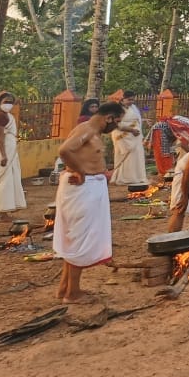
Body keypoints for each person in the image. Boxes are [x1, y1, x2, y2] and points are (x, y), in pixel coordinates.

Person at [53, 102, 124, 303]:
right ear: (109, 117)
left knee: (76, 237)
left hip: (89, 186)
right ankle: (73, 293)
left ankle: (65, 288)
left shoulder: (91, 131)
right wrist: (81, 171)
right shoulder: (88, 131)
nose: (116, 126)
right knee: (80, 238)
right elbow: (65, 150)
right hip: (82, 188)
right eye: (117, 121)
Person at [0, 91, 25, 219]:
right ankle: (3, 213)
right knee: (4, 181)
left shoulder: (3, 114)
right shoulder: (0, 116)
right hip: (2, 152)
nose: (9, 104)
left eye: (11, 102)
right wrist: (3, 155)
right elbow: (0, 137)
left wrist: (13, 97)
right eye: (6, 102)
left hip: (5, 150)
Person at [109, 90, 148, 186]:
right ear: (122, 99)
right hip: (123, 137)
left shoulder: (133, 107)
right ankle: (125, 178)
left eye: (133, 100)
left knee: (137, 156)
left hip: (135, 137)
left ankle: (137, 177)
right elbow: (116, 124)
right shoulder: (117, 110)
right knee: (126, 157)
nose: (131, 102)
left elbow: (134, 119)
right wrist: (131, 130)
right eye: (129, 100)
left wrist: (144, 120)